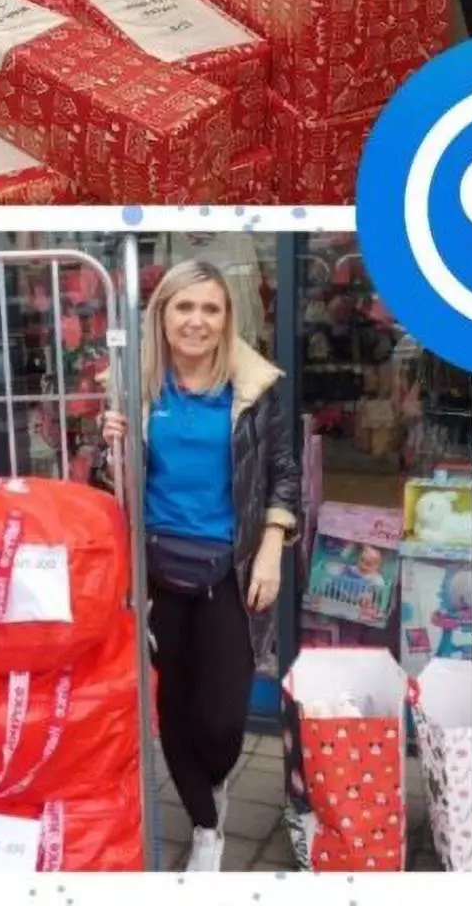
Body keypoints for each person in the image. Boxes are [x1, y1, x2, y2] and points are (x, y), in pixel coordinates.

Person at [100, 259, 297, 874]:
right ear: (161, 314)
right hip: (156, 574)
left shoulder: (255, 389)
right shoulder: (132, 387)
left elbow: (282, 473)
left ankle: (212, 784)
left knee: (222, 719)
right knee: (173, 710)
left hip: (231, 572)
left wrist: (272, 549)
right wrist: (110, 448)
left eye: (211, 308)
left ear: (227, 318)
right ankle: (206, 826)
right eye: (184, 306)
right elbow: (109, 488)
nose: (197, 321)